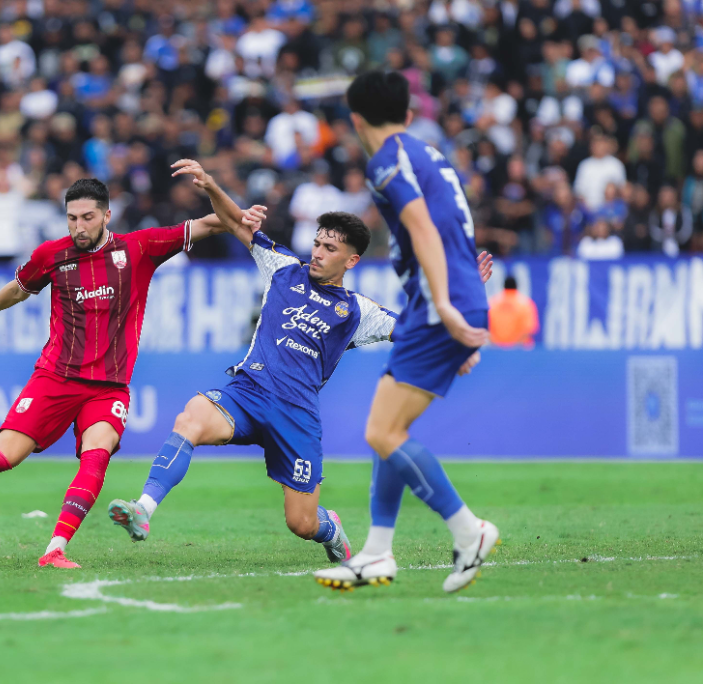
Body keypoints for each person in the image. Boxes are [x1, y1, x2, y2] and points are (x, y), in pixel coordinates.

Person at [106, 160, 494, 564]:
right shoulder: (284, 269)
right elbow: (237, 222)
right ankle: (143, 509)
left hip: (296, 416)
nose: (318, 253)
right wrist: (210, 185)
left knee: (302, 523)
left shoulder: (358, 312)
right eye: (318, 243)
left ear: (351, 260)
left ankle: (331, 529)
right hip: (248, 393)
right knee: (190, 418)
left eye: (330, 249)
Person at [0, 178, 262, 569]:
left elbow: (209, 224)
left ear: (107, 215)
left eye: (88, 217)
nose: (79, 226)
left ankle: (55, 549)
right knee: (3, 456)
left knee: (96, 455)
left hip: (109, 387)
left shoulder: (139, 248)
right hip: (55, 377)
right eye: (72, 218)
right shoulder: (52, 255)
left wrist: (234, 209)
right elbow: (20, 288)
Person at [314, 71, 498, 594]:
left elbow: (422, 228)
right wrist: (458, 304)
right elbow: (451, 230)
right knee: (387, 428)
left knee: (383, 432)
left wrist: (447, 309)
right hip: (439, 302)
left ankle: (470, 530)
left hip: (439, 305)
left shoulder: (386, 161)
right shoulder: (427, 153)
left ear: (355, 121)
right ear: (409, 115)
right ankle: (376, 553)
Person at [489, 276, 539, 348]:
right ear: (516, 286)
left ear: (503, 286)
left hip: (497, 350)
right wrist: (513, 348)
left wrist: (500, 347)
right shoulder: (525, 304)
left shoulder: (492, 303)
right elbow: (528, 330)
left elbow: (486, 329)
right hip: (520, 350)